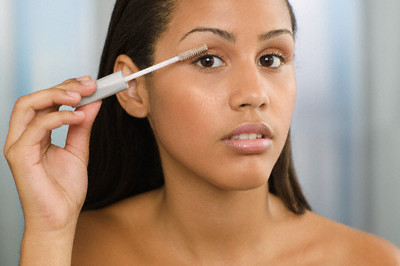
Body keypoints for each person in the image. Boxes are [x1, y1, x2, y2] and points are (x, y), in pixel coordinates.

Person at [4, 0, 400, 265]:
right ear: (133, 88)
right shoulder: (73, 249)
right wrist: (48, 234)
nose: (254, 94)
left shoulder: (371, 261)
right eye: (209, 60)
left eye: (271, 58)